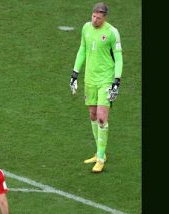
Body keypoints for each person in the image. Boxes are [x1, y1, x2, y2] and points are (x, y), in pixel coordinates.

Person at [70, 2, 123, 173]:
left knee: (101, 117)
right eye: (93, 16)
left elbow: (119, 57)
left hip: (105, 80)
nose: (95, 20)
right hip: (90, 79)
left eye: (99, 18)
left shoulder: (112, 33)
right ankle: (99, 152)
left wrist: (116, 80)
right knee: (92, 115)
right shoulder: (86, 28)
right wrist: (75, 73)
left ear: (105, 17)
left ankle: (100, 157)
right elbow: (82, 50)